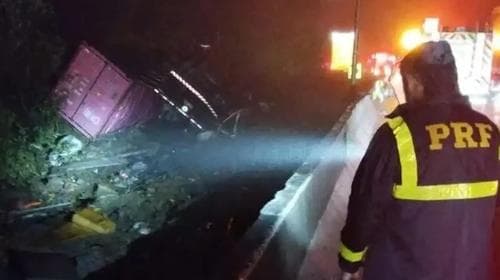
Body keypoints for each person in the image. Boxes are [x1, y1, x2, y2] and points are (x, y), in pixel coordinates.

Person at [338, 40, 500, 280]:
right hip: (469, 271)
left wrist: (350, 261)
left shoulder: (398, 133)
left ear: (413, 81)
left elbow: (366, 204)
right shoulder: (490, 132)